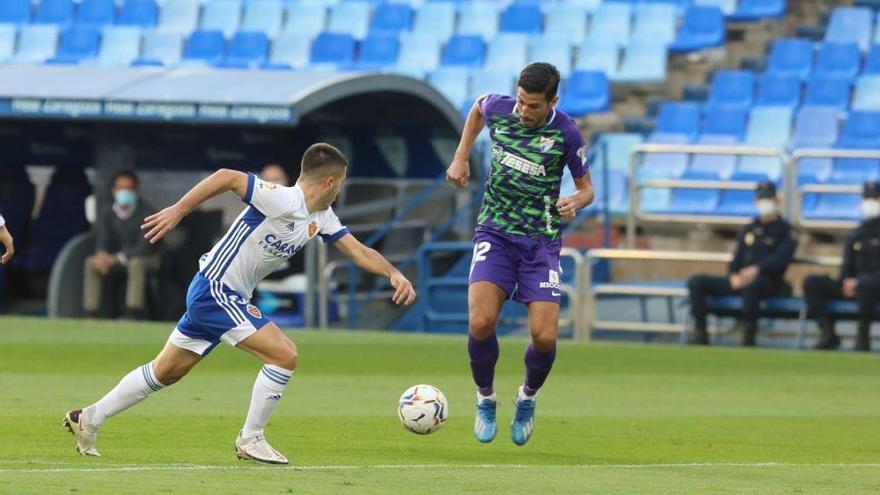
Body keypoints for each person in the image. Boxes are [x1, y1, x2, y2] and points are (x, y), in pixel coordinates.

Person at [63, 143, 416, 463]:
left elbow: (357, 250)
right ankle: (251, 438)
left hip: (220, 295)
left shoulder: (320, 217)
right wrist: (179, 210)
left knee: (165, 372)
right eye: (339, 184)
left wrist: (393, 274)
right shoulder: (282, 199)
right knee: (285, 354)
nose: (338, 191)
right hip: (216, 290)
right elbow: (227, 177)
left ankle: (89, 417)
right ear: (328, 182)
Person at [446, 63, 594, 446]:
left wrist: (574, 201)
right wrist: (461, 156)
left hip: (540, 242)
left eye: (533, 106)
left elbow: (587, 189)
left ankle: (527, 397)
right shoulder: (500, 108)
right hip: (494, 231)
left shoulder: (565, 132)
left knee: (544, 337)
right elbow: (478, 107)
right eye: (522, 102)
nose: (524, 112)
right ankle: (485, 398)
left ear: (553, 102)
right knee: (481, 322)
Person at [687, 181, 798, 347]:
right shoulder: (749, 228)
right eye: (761, 198)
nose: (764, 203)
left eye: (768, 198)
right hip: (740, 279)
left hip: (768, 282)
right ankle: (700, 332)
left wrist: (757, 270)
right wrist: (734, 275)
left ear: (777, 201)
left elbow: (780, 259)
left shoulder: (786, 230)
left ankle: (748, 336)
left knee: (753, 287)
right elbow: (738, 256)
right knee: (697, 282)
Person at [803, 181, 880, 352]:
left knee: (867, 284)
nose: (871, 202)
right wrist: (846, 282)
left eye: (875, 197)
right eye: (867, 197)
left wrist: (859, 283)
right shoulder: (857, 232)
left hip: (874, 287)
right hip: (853, 286)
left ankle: (862, 339)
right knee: (812, 282)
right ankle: (828, 333)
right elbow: (847, 265)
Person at [83, 170, 159, 319]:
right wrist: (102, 256)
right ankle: (91, 314)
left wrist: (115, 259)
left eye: (128, 188)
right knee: (91, 263)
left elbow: (144, 248)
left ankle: (132, 314)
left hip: (148, 259)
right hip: (115, 259)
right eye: (120, 188)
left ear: (136, 190)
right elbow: (102, 240)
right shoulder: (107, 212)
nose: (124, 192)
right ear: (113, 190)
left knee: (136, 263)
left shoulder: (148, 213)